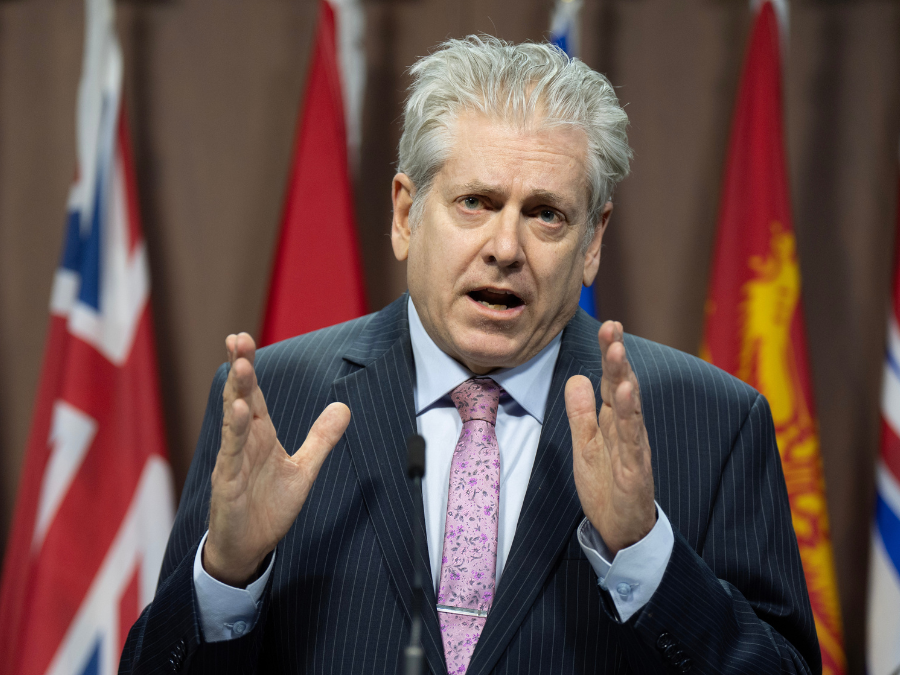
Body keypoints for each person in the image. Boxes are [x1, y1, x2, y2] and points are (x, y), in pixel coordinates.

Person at [120, 36, 820, 675]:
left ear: (593, 241)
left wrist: (645, 554)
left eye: (546, 213)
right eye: (476, 202)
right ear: (404, 213)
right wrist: (227, 574)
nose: (507, 247)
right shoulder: (275, 399)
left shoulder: (713, 420)